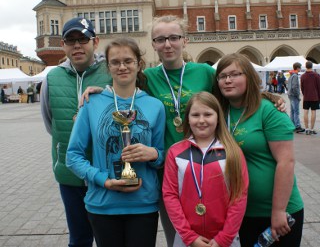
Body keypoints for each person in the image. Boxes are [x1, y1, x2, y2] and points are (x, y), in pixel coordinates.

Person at [80, 15, 285, 247]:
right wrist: (100, 91)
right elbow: (123, 89)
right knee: (179, 237)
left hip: (210, 166)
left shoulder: (204, 73)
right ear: (153, 44)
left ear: (185, 41)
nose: (167, 44)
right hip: (170, 173)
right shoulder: (147, 77)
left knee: (219, 230)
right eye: (160, 39)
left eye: (174, 38)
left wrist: (267, 96)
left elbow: (226, 100)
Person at [66, 37, 165, 247]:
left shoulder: (155, 106)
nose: (122, 67)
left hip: (143, 204)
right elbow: (73, 156)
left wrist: (154, 154)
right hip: (103, 203)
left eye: (128, 61)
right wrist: (103, 180)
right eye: (115, 62)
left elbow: (162, 155)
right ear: (108, 66)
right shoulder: (91, 104)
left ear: (139, 65)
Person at [215, 53, 304, 247]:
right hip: (239, 213)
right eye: (222, 76)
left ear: (249, 77)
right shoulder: (219, 113)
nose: (228, 80)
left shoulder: (268, 110)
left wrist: (279, 210)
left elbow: (286, 161)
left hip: (276, 212)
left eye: (235, 74)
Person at [40, 17, 112, 247]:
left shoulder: (110, 71)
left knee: (107, 237)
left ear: (95, 41)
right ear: (63, 45)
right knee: (79, 238)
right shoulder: (52, 77)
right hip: (69, 173)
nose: (77, 45)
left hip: (103, 172)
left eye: (83, 39)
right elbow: (51, 123)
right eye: (70, 41)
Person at [163, 91, 248, 247]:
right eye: (195, 115)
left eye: (208, 114)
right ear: (187, 119)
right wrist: (189, 237)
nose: (201, 120)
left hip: (225, 239)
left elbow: (239, 196)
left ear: (218, 118)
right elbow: (170, 195)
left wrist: (224, 238)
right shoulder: (175, 152)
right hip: (187, 239)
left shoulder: (232, 152)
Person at [300, 61, 320, 135]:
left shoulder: (303, 76)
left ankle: (307, 129)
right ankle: (311, 129)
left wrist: (304, 94)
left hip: (306, 97)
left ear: (306, 66)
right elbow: (319, 87)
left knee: (305, 111)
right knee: (313, 112)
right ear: (312, 66)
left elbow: (301, 87)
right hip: (315, 97)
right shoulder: (316, 75)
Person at [287, 62, 305, 133]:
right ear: (297, 68)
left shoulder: (291, 75)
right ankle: (297, 126)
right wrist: (298, 95)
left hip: (290, 94)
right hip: (294, 95)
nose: (300, 69)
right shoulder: (295, 76)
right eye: (300, 67)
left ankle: (292, 125)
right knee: (296, 111)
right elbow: (295, 87)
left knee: (292, 111)